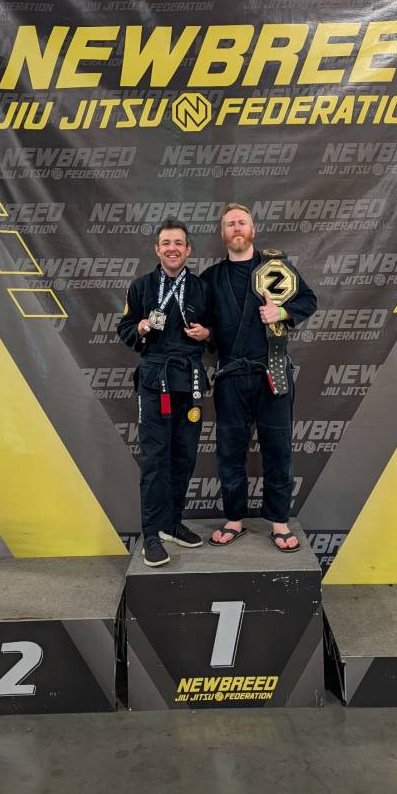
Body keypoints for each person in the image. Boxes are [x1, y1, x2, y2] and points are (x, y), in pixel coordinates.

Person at [201, 204, 317, 552]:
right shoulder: (210, 278)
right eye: (230, 224)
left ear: (252, 229)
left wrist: (281, 311)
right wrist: (204, 333)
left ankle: (279, 522)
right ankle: (234, 519)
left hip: (272, 371)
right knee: (229, 452)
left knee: (278, 449)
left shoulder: (275, 268)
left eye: (242, 222)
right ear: (223, 233)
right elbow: (206, 325)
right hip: (230, 376)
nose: (236, 228)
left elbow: (309, 300)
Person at [118, 218, 211, 567]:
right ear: (157, 249)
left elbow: (218, 331)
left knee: (183, 456)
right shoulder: (141, 287)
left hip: (189, 379)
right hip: (154, 380)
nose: (173, 249)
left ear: (188, 250)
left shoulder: (202, 288)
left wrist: (207, 335)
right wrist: (141, 328)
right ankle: (152, 535)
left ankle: (172, 523)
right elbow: (124, 327)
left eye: (178, 243)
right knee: (155, 459)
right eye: (166, 243)